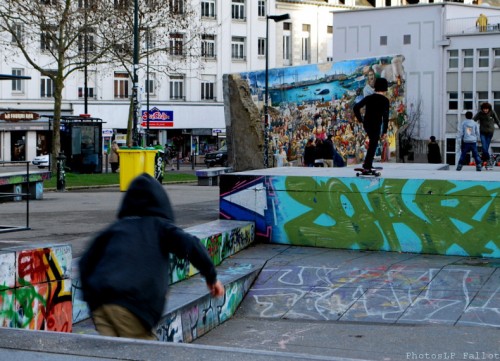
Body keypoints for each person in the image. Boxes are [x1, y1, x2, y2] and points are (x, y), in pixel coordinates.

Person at [79, 173, 225, 340]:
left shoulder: (115, 229)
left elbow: (85, 262)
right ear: (162, 203)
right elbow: (192, 245)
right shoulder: (160, 227)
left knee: (113, 353)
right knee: (146, 352)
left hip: (101, 305)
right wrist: (211, 278)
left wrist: (91, 300)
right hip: (133, 306)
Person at [353, 77, 390, 171]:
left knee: (373, 142)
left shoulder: (368, 98)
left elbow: (356, 108)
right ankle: (367, 165)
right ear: (385, 88)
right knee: (373, 143)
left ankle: (368, 163)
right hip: (376, 124)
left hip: (367, 123)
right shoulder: (385, 101)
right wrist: (384, 131)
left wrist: (360, 120)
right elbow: (385, 118)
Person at [473, 102, 500, 168]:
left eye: (486, 109)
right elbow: (473, 120)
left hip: (490, 132)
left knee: (485, 148)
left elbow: (497, 120)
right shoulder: (480, 113)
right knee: (484, 148)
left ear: (489, 109)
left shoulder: (492, 112)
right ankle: (488, 160)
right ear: (482, 109)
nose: (485, 110)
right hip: (482, 132)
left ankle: (483, 161)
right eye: (484, 109)